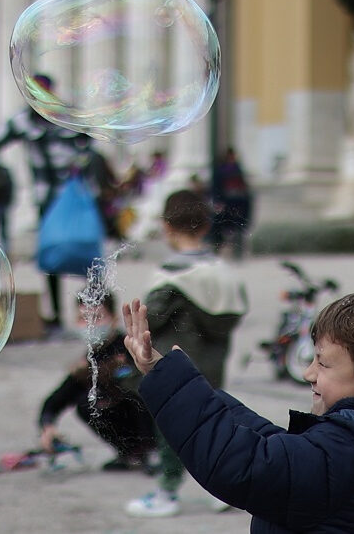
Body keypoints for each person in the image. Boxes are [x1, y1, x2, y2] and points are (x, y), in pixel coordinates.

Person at [121, 274, 354, 530]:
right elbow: (275, 445)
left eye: (323, 362)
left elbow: (242, 463)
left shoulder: (344, 455)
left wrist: (174, 383)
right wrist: (180, 383)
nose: (308, 373)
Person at [124, 189, 249, 517]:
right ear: (207, 226)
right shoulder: (221, 272)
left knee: (171, 428)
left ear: (166, 227)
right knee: (213, 425)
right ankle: (225, 489)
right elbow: (232, 314)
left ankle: (166, 491)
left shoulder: (169, 275)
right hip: (212, 366)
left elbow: (150, 319)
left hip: (177, 368)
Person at [0, 74, 88, 333]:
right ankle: (57, 314)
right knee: (52, 256)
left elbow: (88, 145)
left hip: (72, 198)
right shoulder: (24, 120)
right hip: (47, 198)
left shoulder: (65, 117)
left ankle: (92, 309)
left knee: (85, 250)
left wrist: (79, 165)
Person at [36, 292, 159, 472]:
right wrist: (48, 427)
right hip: (128, 424)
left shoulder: (129, 349)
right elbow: (55, 401)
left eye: (98, 318)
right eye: (83, 318)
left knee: (134, 387)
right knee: (85, 402)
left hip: (157, 428)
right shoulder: (89, 360)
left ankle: (153, 451)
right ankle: (131, 453)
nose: (90, 325)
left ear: (114, 319)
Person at [209, 146, 253, 259]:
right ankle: (218, 250)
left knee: (237, 228)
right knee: (222, 227)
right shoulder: (222, 170)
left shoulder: (237, 168)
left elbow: (243, 186)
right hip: (227, 203)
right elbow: (216, 187)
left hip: (238, 203)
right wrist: (218, 201)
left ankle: (237, 253)